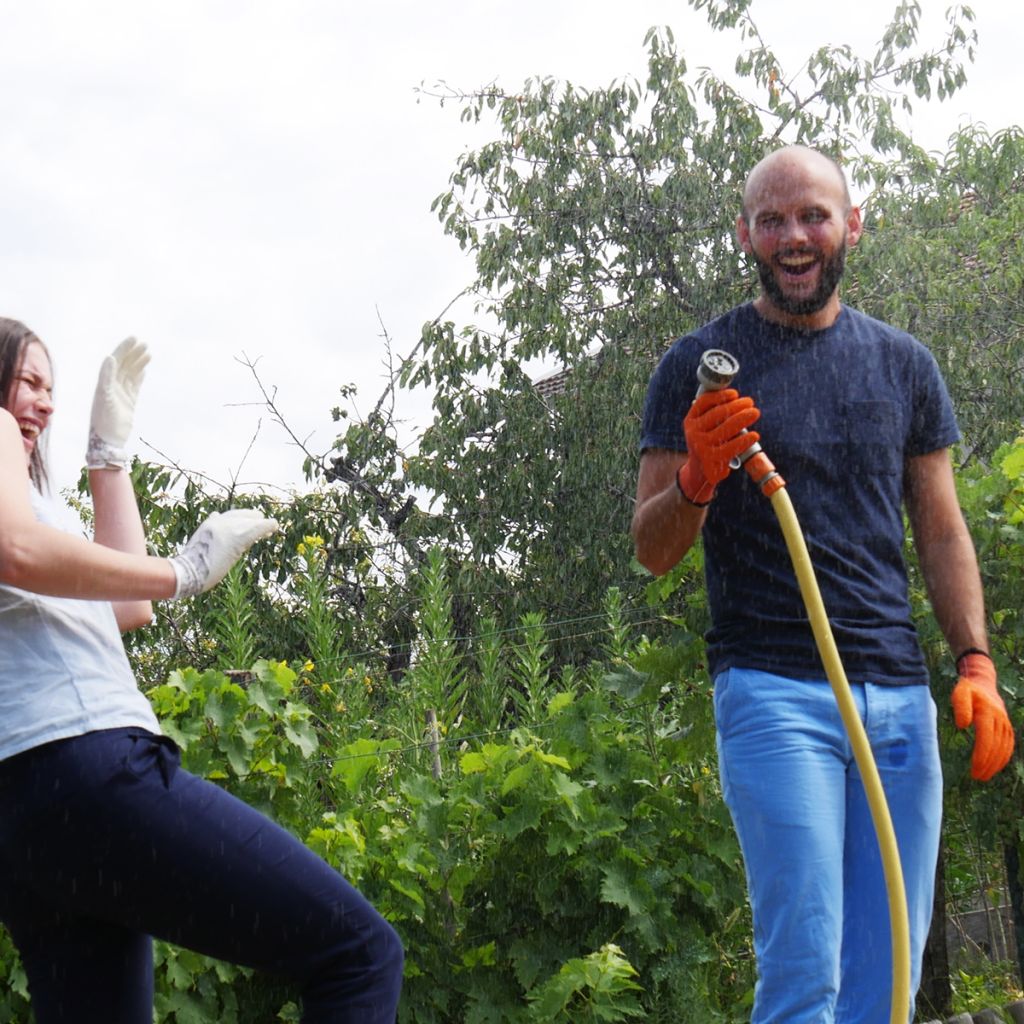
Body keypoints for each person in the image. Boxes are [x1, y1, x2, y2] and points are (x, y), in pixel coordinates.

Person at [631, 146, 1015, 1023]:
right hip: (773, 691)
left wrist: (977, 663)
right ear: (745, 235)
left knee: (889, 990)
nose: (793, 237)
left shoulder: (904, 363)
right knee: (806, 978)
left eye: (812, 216)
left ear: (852, 223)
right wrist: (697, 475)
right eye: (771, 221)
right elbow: (652, 550)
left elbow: (943, 528)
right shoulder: (698, 363)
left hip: (898, 701)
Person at [0, 318, 403, 1024]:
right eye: (29, 381)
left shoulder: (34, 503)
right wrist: (183, 572)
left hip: (27, 816)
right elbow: (17, 550)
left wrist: (108, 459)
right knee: (359, 956)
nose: (44, 403)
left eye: (51, 388)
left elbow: (126, 605)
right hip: (86, 765)